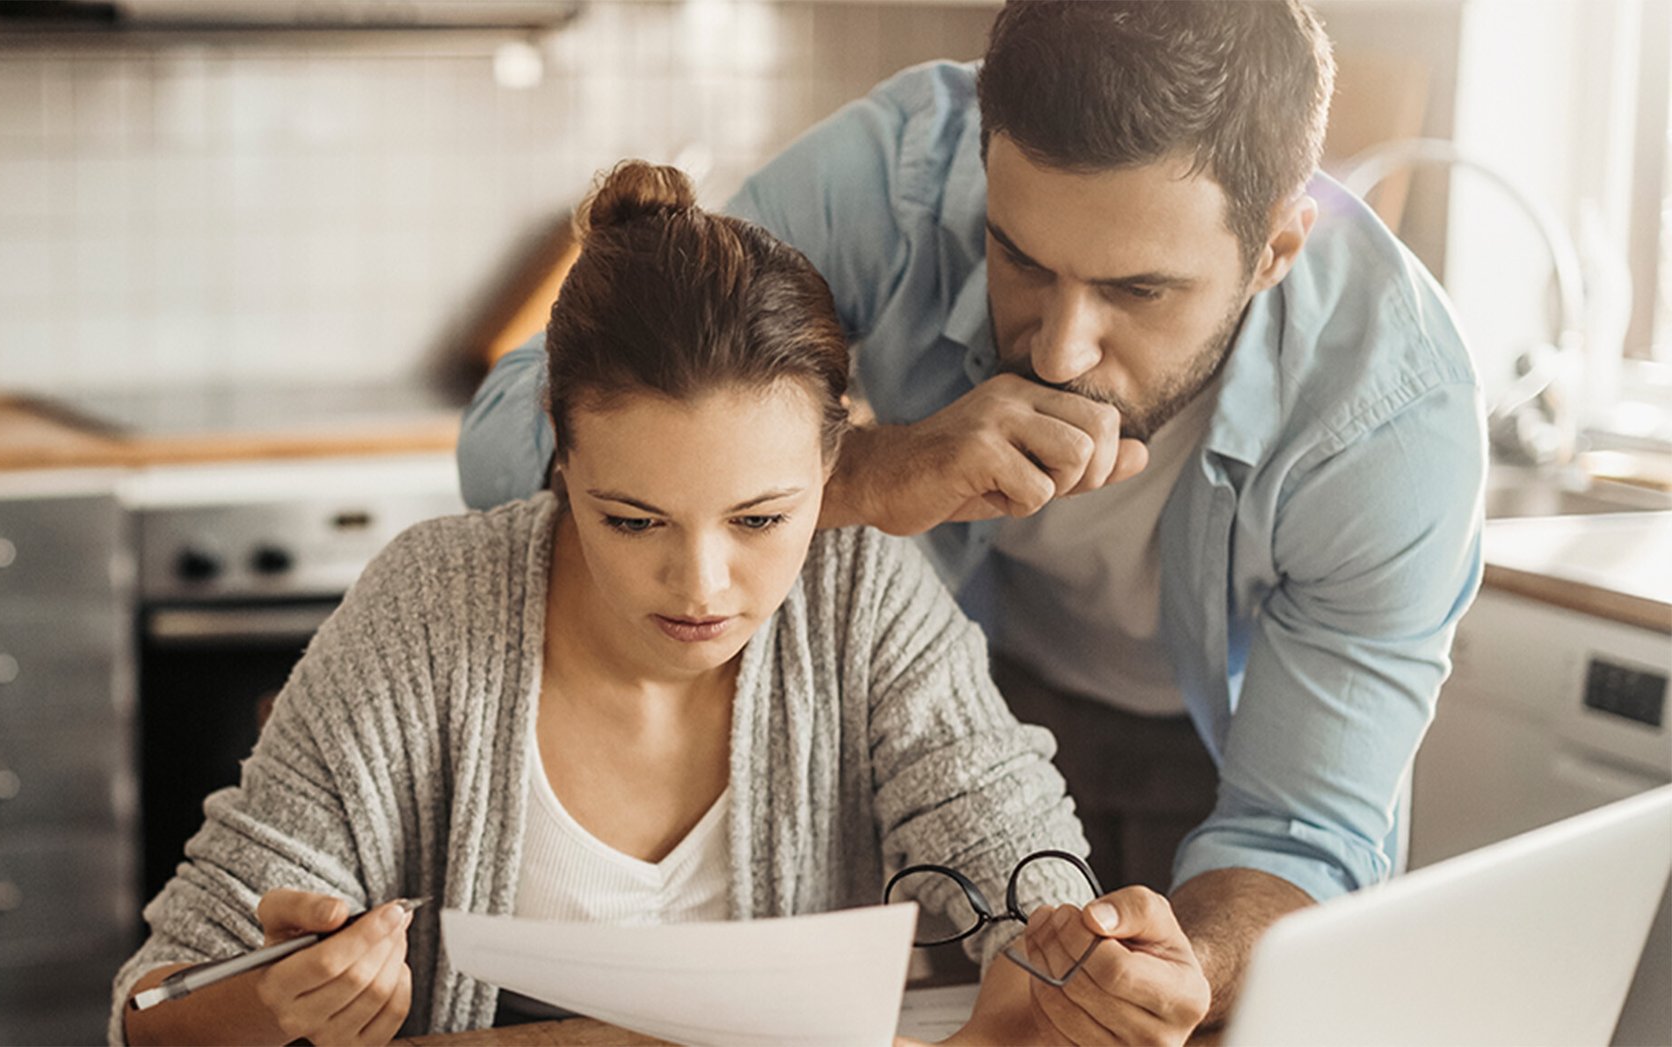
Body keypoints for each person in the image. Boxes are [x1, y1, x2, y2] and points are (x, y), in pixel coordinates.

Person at [459, 0, 1487, 1037]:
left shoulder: (1391, 421)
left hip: (1203, 763)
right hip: (921, 746)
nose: (1058, 352)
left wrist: (1197, 960)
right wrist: (854, 473)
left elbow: (1299, 834)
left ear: (1274, 248)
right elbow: (507, 437)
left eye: (1136, 289)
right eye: (1021, 261)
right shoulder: (900, 174)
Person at [110, 162, 1211, 1046]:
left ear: (836, 457)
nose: (700, 587)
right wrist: (276, 1000)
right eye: (632, 521)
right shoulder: (430, 608)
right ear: (558, 450)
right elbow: (151, 1009)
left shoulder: (863, 598)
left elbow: (1018, 865)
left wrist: (1090, 962)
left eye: (760, 520)